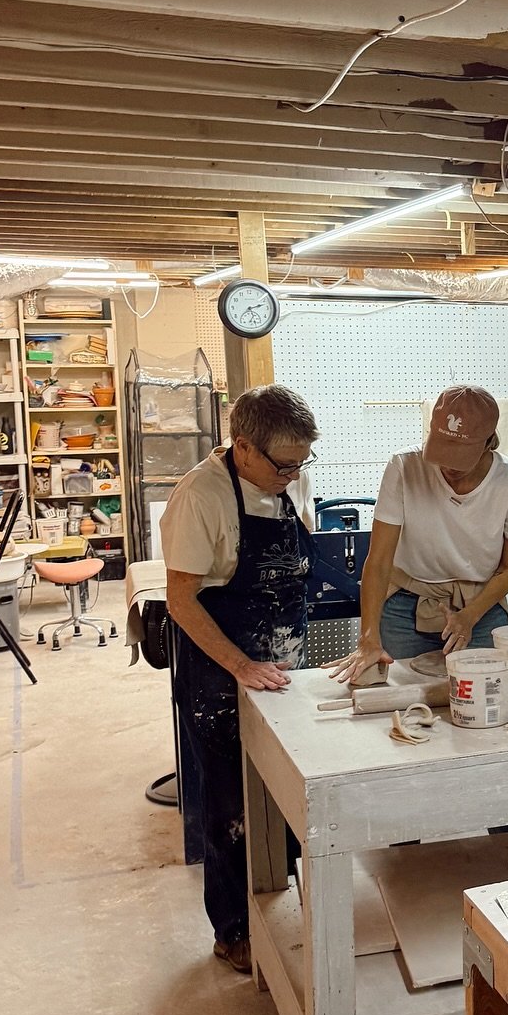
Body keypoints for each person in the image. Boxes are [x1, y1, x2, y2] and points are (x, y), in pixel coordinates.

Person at [161, 384, 318, 975]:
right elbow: (181, 600)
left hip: (282, 668)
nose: (293, 475)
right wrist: (241, 666)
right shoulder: (201, 496)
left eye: (301, 463)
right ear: (242, 446)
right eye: (283, 466)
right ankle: (233, 930)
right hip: (221, 675)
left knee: (287, 795)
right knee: (232, 808)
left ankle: (289, 912)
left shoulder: (284, 479)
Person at [334, 386, 508, 681]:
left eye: (460, 456)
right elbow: (378, 561)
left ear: (488, 443)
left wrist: (470, 616)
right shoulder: (404, 467)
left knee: (483, 692)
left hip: (480, 605)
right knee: (403, 695)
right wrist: (368, 638)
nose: (448, 465)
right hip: (405, 606)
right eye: (442, 451)